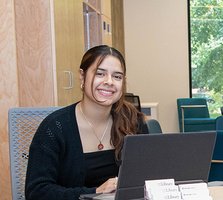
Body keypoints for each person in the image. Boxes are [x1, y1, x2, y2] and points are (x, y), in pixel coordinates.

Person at [25, 45, 149, 199]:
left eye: (117, 76)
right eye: (100, 73)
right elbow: (37, 192)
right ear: (82, 76)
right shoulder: (55, 127)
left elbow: (149, 176)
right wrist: (95, 192)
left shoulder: (133, 121)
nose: (109, 81)